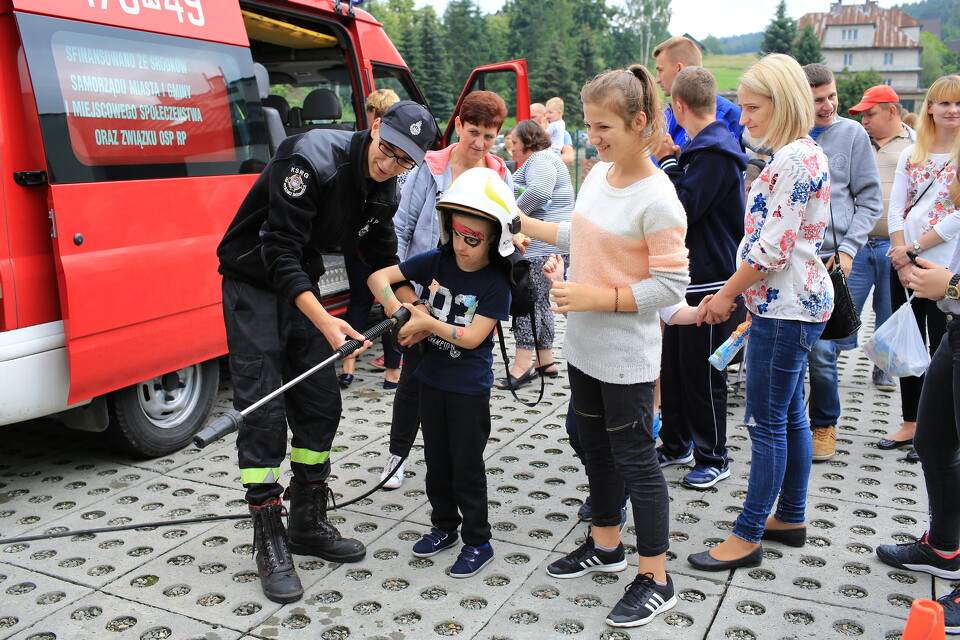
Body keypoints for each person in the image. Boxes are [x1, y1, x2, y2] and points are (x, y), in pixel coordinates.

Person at [216, 101, 438, 603]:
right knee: (263, 410)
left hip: (302, 283)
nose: (391, 164)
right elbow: (278, 250)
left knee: (320, 403)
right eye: (388, 149)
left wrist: (410, 308)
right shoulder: (309, 157)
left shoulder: (387, 187)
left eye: (406, 161)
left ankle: (307, 521)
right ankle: (268, 538)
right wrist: (328, 324)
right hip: (254, 280)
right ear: (376, 125)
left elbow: (382, 259)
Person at [519, 65, 690, 628]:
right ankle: (606, 544)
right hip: (584, 347)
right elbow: (583, 234)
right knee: (593, 446)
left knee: (638, 463)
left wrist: (597, 295)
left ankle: (656, 577)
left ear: (640, 122)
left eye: (603, 127)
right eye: (590, 127)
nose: (592, 138)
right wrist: (524, 225)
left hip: (626, 358)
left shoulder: (659, 198)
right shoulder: (601, 175)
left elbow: (670, 286)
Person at [689, 53, 832, 572]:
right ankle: (790, 515)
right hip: (792, 302)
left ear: (783, 102)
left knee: (766, 422)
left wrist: (727, 294)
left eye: (752, 108)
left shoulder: (793, 159)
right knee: (790, 412)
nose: (743, 118)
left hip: (786, 304)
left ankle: (747, 534)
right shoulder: (803, 152)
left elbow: (770, 249)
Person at [368, 167, 514, 578]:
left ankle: (478, 540)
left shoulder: (496, 282)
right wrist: (404, 310)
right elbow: (380, 277)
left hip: (468, 389)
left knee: (466, 465)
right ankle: (443, 527)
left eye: (475, 239)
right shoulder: (436, 259)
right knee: (436, 461)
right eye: (457, 233)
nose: (464, 246)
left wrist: (428, 323)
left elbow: (471, 338)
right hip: (429, 380)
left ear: (495, 239)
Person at [380, 90, 512, 490]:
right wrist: (401, 296)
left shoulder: (499, 172)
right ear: (458, 125)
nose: (480, 144)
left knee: (459, 380)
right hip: (423, 293)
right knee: (412, 380)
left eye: (490, 136)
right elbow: (402, 228)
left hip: (470, 301)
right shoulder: (432, 167)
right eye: (474, 132)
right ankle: (397, 455)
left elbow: (509, 229)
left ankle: (458, 457)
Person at [652, 66, 747, 489]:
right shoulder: (704, 147)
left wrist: (669, 159)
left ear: (679, 105)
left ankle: (713, 455)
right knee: (674, 369)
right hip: (689, 279)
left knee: (704, 374)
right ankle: (676, 443)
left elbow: (683, 212)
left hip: (712, 281)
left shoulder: (715, 152)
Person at [878, 204, 960, 632]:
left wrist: (954, 285)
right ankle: (945, 548)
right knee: (932, 441)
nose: (950, 184)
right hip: (955, 328)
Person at [801, 63, 882, 463]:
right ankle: (787, 423)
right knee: (783, 348)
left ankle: (824, 424)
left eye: (831, 95)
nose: (829, 105)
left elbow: (870, 199)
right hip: (788, 259)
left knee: (822, 351)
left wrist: (848, 249)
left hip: (831, 259)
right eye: (818, 99)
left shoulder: (852, 134)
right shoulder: (788, 135)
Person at [882, 74, 960, 452]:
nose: (953, 110)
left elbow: (956, 219)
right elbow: (896, 209)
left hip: (943, 268)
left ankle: (937, 428)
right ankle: (910, 422)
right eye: (945, 102)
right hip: (904, 264)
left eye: (959, 103)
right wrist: (900, 257)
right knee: (905, 345)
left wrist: (911, 249)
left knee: (940, 349)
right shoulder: (913, 154)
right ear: (930, 106)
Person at [846, 85, 916, 397]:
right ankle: (828, 356)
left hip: (895, 245)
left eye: (870, 114)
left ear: (891, 111)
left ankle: (884, 367)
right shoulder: (858, 142)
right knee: (844, 304)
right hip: (859, 242)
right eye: (861, 115)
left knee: (889, 309)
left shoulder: (915, 144)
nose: (864, 121)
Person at [494, 120, 574, 390]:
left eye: (514, 143)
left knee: (527, 302)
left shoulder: (540, 159)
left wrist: (509, 216)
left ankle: (523, 363)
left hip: (541, 245)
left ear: (528, 141)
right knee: (541, 304)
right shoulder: (544, 160)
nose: (512, 149)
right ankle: (545, 359)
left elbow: (539, 192)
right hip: (552, 244)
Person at [339, 90, 404, 391]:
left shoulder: (361, 149)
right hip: (386, 238)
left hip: (362, 236)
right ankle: (392, 372)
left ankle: (347, 367)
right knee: (388, 302)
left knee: (362, 300)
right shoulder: (405, 157)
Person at [652, 35, 743, 148]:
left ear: (680, 69)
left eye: (661, 70)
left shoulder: (727, 114)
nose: (657, 79)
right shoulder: (669, 114)